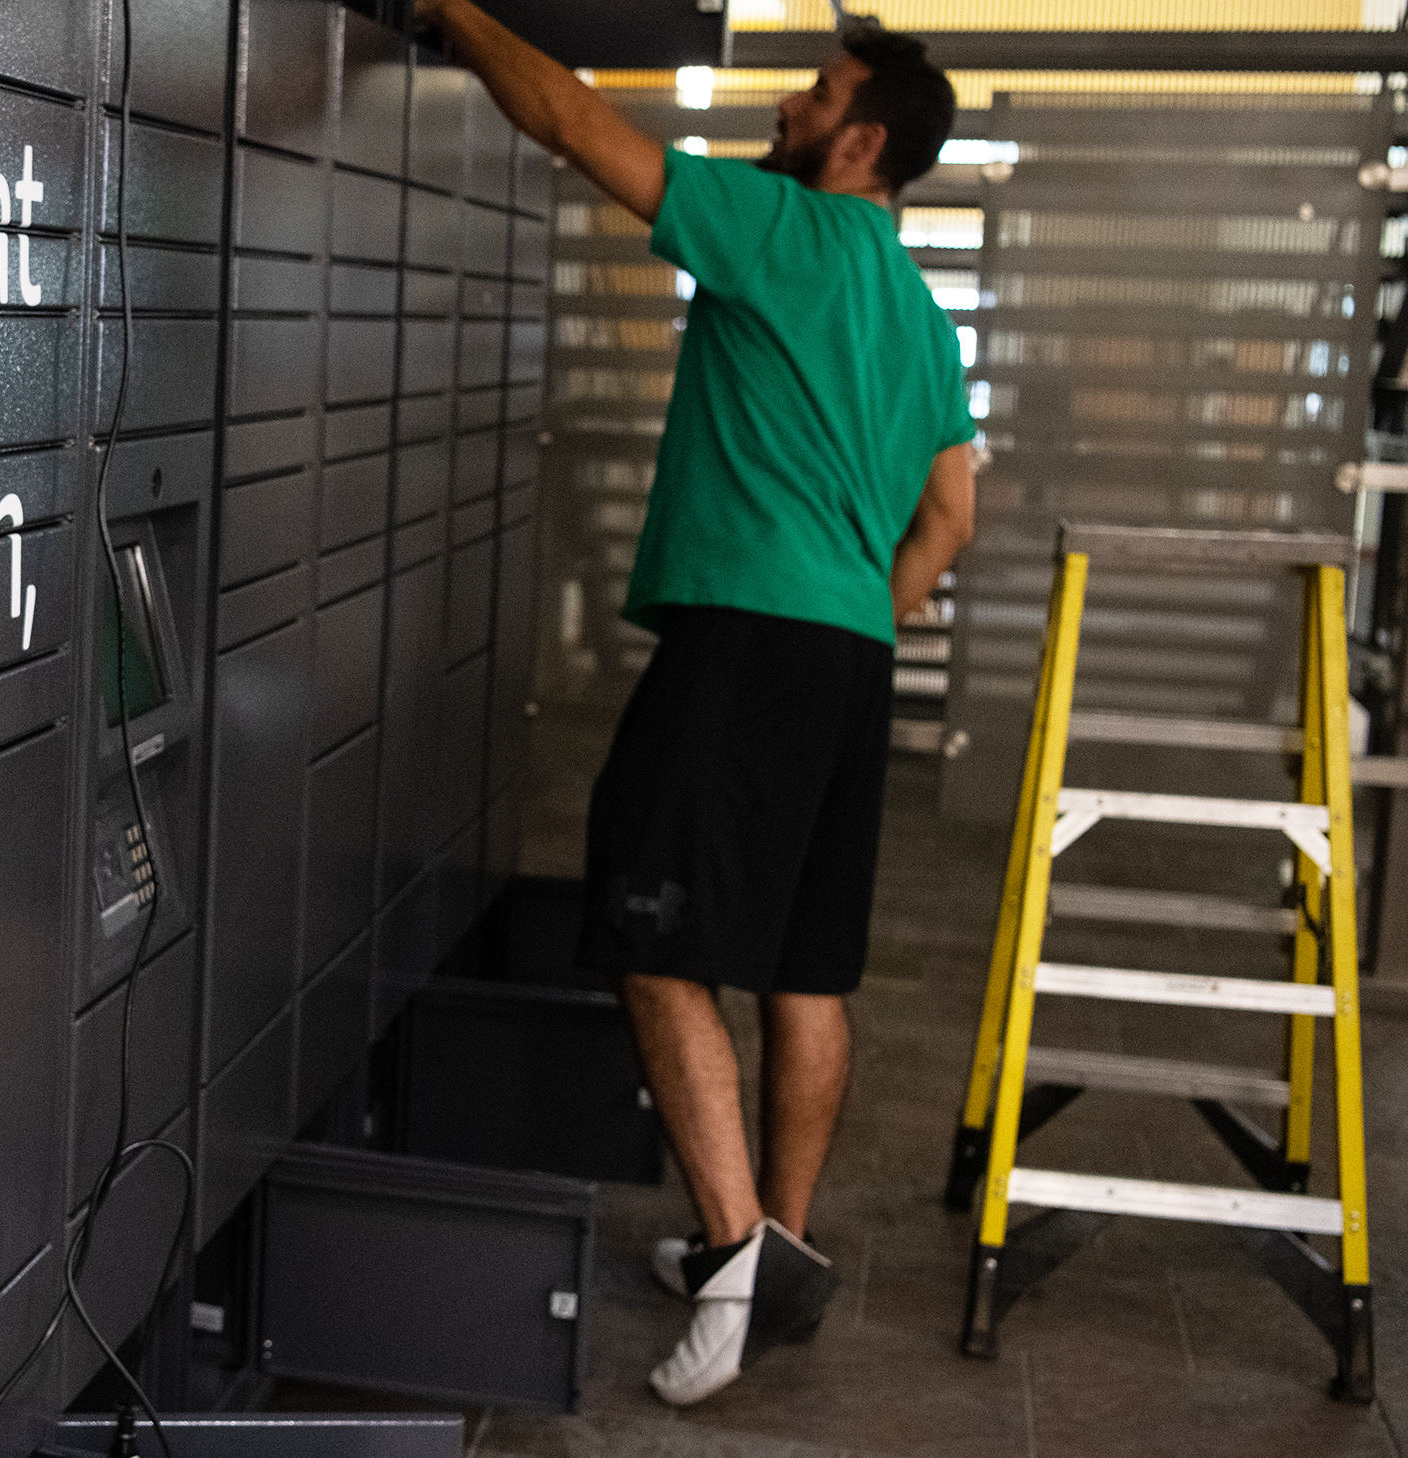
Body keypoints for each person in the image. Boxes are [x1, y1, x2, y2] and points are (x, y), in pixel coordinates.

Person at [414, 0, 976, 1407]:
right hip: (849, 653)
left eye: (815, 94)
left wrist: (452, 14)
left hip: (752, 643)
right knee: (805, 969)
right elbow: (954, 515)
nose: (788, 107)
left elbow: (570, 122)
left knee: (654, 935)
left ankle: (734, 1259)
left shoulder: (778, 231)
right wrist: (860, 604)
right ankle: (775, 1243)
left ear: (865, 139)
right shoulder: (917, 309)